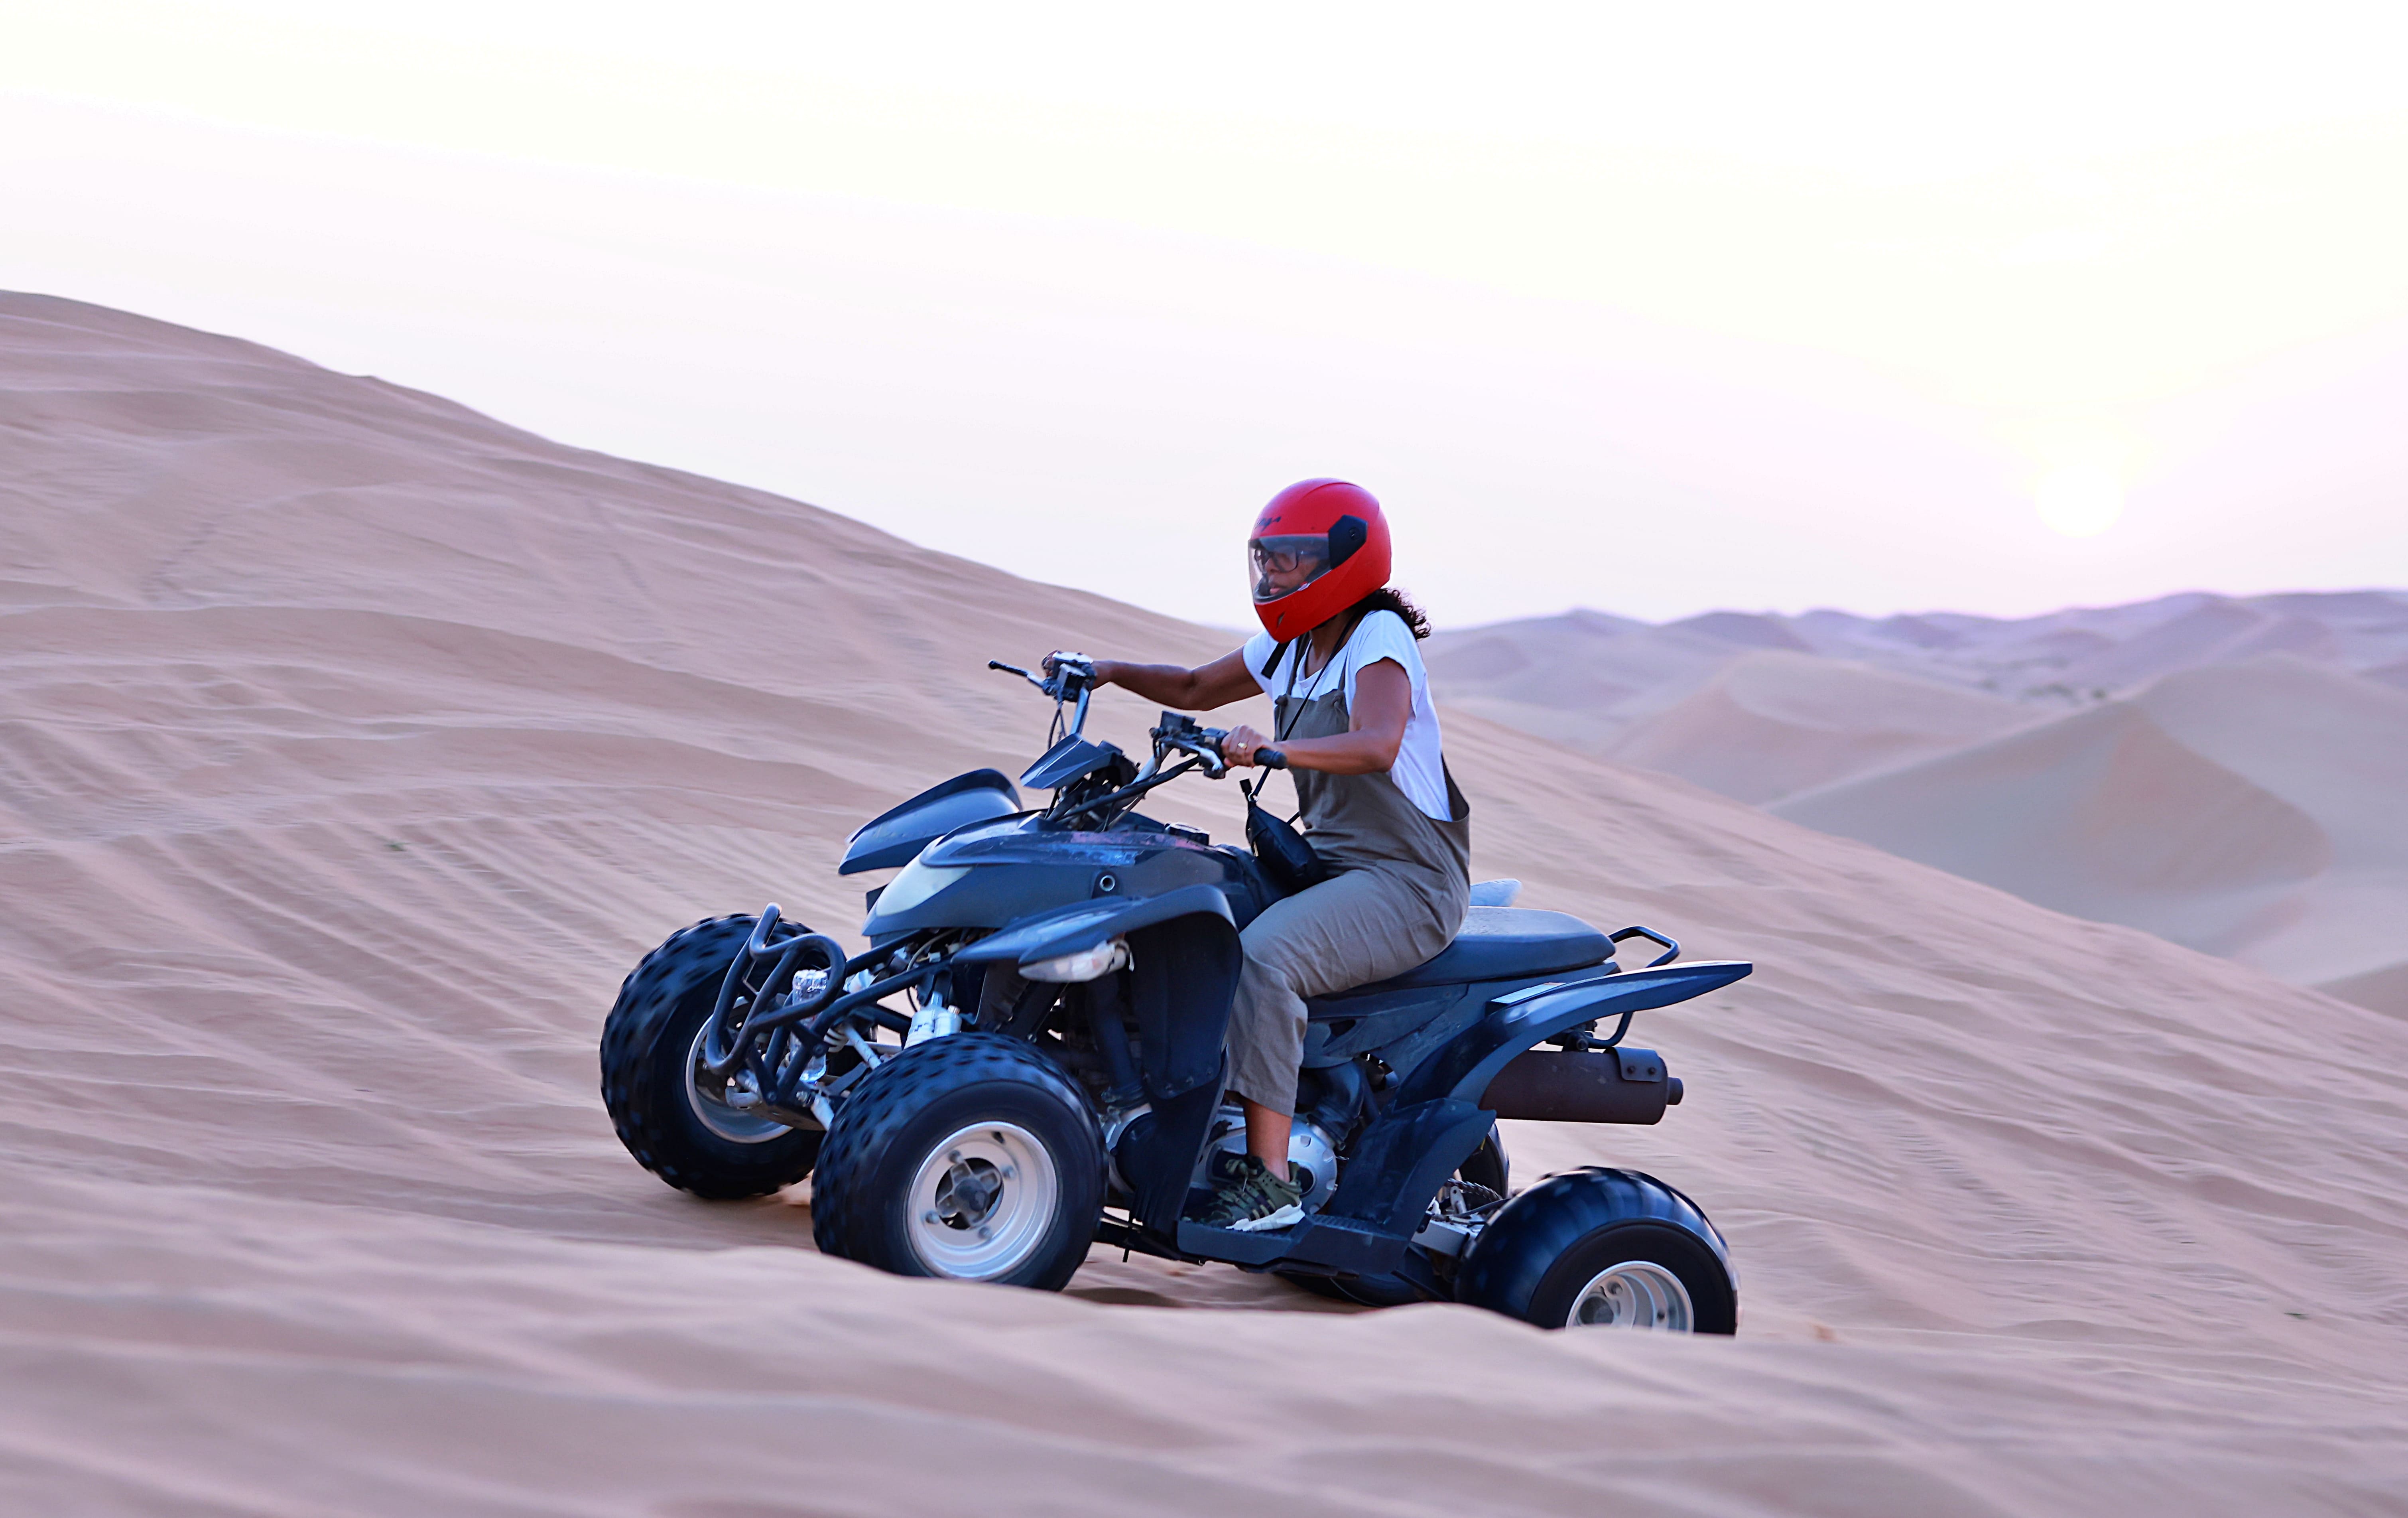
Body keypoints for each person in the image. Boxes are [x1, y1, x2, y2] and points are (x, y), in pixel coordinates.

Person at [1059, 479, 1471, 1231]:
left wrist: (1272, 750)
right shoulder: (1293, 646)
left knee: (1264, 959)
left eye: (1292, 559)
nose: (1275, 574)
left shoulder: (1377, 640)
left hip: (1407, 882)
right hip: (1332, 865)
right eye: (1268, 558)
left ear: (1343, 562)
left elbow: (1378, 743)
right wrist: (1110, 671)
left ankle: (1272, 1187)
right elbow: (1193, 686)